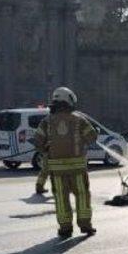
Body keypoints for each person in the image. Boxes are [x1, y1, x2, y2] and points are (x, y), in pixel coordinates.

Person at [34, 86, 98, 239]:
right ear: (69, 100)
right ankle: (85, 226)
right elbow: (92, 137)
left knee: (61, 200)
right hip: (77, 169)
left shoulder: (46, 122)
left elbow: (37, 142)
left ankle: (65, 229)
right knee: (82, 196)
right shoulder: (79, 120)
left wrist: (46, 147)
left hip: (57, 171)